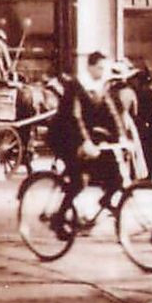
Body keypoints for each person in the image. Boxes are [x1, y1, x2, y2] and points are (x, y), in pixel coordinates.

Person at [51, 51, 128, 203]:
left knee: (115, 175)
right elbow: (75, 117)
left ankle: (106, 199)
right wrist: (85, 141)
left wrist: (122, 136)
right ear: (90, 67)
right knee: (78, 181)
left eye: (104, 68)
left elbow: (111, 112)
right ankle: (59, 219)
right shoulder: (76, 86)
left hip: (85, 137)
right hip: (66, 137)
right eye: (100, 68)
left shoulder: (100, 88)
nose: (103, 72)